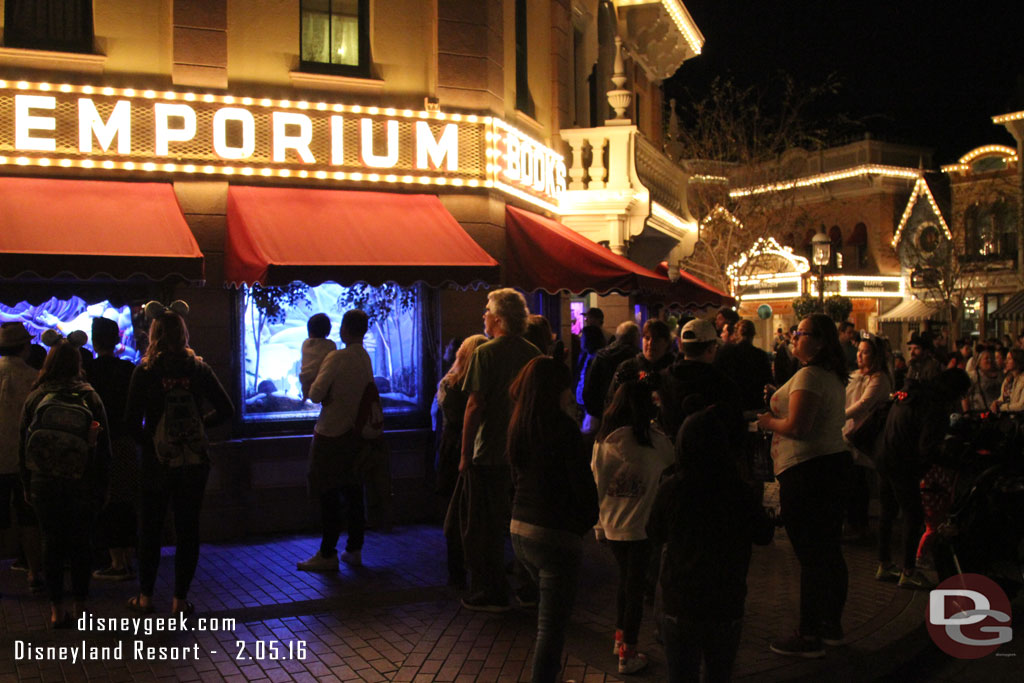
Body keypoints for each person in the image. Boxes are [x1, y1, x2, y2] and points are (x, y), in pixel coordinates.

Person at [648, 406, 774, 682]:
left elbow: (653, 532)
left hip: (680, 599)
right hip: (725, 599)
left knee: (681, 675)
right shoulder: (739, 490)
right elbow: (764, 535)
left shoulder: (673, 488)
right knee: (719, 674)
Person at [125, 302, 234, 616]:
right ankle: (179, 601)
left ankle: (145, 598)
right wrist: (199, 425)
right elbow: (227, 410)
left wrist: (154, 443)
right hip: (193, 462)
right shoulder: (199, 369)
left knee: (151, 530)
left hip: (156, 464)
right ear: (184, 333)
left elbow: (130, 422)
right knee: (188, 530)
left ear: (153, 334)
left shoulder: (145, 371)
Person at [757, 314, 851, 658]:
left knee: (812, 555)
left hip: (809, 472)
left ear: (821, 341)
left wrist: (768, 421)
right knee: (827, 552)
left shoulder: (811, 375)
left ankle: (809, 633)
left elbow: (799, 427)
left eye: (802, 333)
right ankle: (830, 626)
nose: (794, 336)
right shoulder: (823, 375)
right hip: (827, 467)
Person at [508, 357, 598, 683]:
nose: (571, 393)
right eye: (567, 386)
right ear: (556, 390)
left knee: (548, 618)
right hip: (555, 534)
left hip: (521, 529)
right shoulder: (563, 429)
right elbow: (582, 486)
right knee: (551, 627)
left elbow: (516, 479)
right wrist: (585, 522)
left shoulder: (521, 423)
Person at [450, 289, 540, 612]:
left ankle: (491, 590)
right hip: (522, 450)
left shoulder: (485, 354)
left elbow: (474, 406)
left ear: (499, 319)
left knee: (483, 525)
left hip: (488, 452)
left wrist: (464, 455)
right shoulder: (532, 352)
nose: (483, 317)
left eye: (487, 311)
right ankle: (528, 586)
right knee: (521, 521)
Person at [20, 333, 110, 627]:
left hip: (43, 481)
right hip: (81, 480)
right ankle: (81, 607)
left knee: (52, 542)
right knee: (81, 543)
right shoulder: (90, 395)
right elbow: (104, 448)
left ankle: (57, 611)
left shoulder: (36, 397)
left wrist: (26, 485)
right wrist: (101, 485)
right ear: (78, 363)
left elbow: (23, 446)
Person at [592, 381, 674, 674]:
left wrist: (599, 526)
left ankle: (619, 639)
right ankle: (628, 654)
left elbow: (597, 487)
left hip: (612, 526)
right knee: (635, 589)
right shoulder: (651, 442)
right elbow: (673, 457)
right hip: (640, 527)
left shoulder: (603, 442)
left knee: (625, 584)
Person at [876, 369, 970, 590]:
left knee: (887, 512)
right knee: (913, 515)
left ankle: (884, 564)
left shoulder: (912, 393)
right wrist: (956, 463)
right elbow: (927, 449)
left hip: (884, 455)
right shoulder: (934, 406)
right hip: (902, 463)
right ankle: (908, 571)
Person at [299, 309, 375, 572]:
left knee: (327, 493)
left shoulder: (336, 357)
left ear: (344, 329)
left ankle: (327, 552)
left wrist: (310, 385)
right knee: (354, 492)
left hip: (330, 434)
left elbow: (316, 394)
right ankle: (354, 548)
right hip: (354, 434)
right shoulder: (365, 359)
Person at [87, 316, 139, 581]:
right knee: (126, 499)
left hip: (100, 443)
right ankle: (127, 557)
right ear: (118, 339)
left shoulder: (89, 372)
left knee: (107, 500)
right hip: (128, 441)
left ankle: (116, 561)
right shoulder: (129, 370)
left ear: (95, 341)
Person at [436, 334, 488, 588]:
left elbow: (449, 416)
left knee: (455, 512)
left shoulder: (451, 382)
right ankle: (473, 567)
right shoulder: (480, 383)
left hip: (454, 448)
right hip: (473, 449)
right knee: (473, 512)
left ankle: (456, 571)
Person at [0, 323, 43, 594]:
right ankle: (34, 573)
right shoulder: (34, 378)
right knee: (30, 517)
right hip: (26, 460)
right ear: (24, 347)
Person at [841, 335, 892, 544]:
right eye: (859, 351)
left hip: (863, 436)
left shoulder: (878, 379)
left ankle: (860, 526)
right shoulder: (854, 376)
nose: (860, 355)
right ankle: (854, 523)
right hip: (847, 432)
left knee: (858, 481)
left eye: (865, 352)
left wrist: (839, 415)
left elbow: (863, 405)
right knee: (852, 481)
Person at [660, 317, 742, 441]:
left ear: (681, 345)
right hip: (710, 454)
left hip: (670, 452)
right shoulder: (722, 383)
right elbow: (734, 427)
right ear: (710, 348)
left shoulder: (665, 378)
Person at [582, 321, 640, 428]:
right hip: (630, 415)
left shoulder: (602, 356)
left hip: (602, 412)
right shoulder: (637, 358)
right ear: (636, 338)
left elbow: (589, 387)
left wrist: (595, 412)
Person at [606, 319, 673, 404]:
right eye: (647, 338)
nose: (650, 343)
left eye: (656, 339)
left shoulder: (672, 369)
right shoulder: (628, 367)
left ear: (666, 342)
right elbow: (612, 400)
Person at [299, 313, 337, 401]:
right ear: (328, 331)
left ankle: (305, 397)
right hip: (322, 383)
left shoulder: (305, 344)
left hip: (305, 381)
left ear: (309, 331)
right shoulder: (330, 345)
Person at [963, 346, 1002, 412]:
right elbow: (965, 396)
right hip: (980, 412)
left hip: (999, 411)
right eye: (986, 358)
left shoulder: (1000, 375)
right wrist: (967, 412)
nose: (989, 360)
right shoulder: (973, 376)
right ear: (979, 362)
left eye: (991, 358)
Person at [990, 347, 1024, 413]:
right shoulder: (1008, 380)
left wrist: (1002, 407)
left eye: (1009, 359)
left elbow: (1021, 405)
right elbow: (1002, 398)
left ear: (1017, 360)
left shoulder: (1022, 380)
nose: (1006, 361)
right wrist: (996, 403)